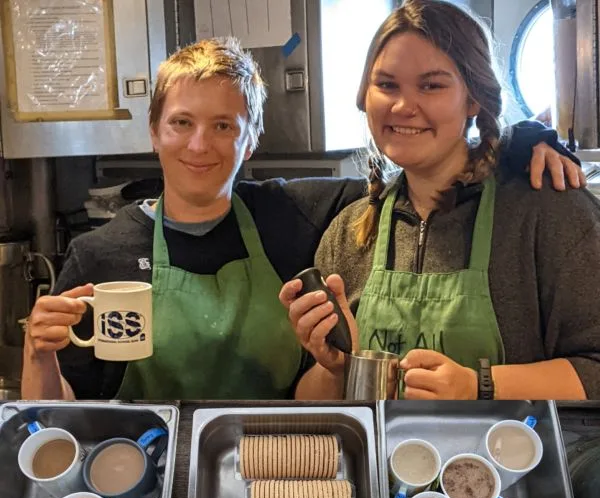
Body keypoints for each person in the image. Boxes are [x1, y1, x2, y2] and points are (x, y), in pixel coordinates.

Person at [22, 36, 583, 402]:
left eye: (224, 125)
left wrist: (521, 141)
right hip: (149, 468)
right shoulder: (101, 255)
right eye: (181, 122)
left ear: (251, 141)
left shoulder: (299, 217)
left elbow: (417, 175)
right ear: (154, 131)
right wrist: (37, 353)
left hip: (286, 455)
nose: (199, 144)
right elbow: (61, 420)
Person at [280, 0, 600, 402]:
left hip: (512, 463)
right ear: (365, 97)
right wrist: (337, 369)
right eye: (387, 85)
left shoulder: (547, 209)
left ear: (473, 99)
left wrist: (478, 386)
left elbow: (595, 366)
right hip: (380, 464)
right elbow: (313, 407)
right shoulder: (350, 231)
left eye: (431, 85)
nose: (403, 106)